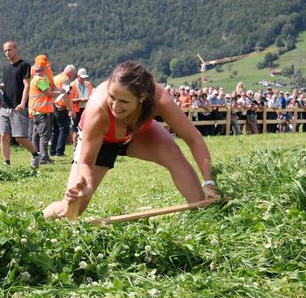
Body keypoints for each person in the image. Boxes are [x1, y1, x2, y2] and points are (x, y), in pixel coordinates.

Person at [43, 62, 220, 220]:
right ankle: (42, 217)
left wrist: (209, 182)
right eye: (112, 97)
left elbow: (193, 138)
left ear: (142, 98)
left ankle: (204, 213)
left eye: (124, 101)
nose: (115, 106)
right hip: (102, 142)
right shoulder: (97, 110)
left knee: (172, 152)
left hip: (135, 133)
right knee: (71, 211)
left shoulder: (159, 99)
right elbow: (86, 161)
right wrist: (86, 185)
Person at [0, 41, 40, 167]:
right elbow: (9, 86)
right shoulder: (6, 68)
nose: (7, 53)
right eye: (5, 51)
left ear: (16, 49)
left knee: (19, 138)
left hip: (18, 107)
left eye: (10, 50)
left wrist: (23, 103)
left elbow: (26, 85)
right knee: (3, 136)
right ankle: (7, 163)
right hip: (5, 106)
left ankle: (35, 154)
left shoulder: (24, 65)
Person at [30, 59, 62, 165]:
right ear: (44, 69)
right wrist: (62, 92)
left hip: (37, 111)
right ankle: (44, 158)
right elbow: (50, 93)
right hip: (41, 112)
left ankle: (36, 156)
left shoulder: (36, 79)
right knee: (45, 136)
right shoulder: (40, 80)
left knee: (36, 136)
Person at [50, 65, 77, 157]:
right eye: (73, 74)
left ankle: (52, 151)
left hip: (53, 106)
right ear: (71, 73)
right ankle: (59, 152)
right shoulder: (66, 80)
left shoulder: (55, 78)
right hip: (61, 107)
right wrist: (70, 109)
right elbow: (65, 95)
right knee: (64, 130)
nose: (73, 76)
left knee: (55, 130)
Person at [70, 68, 93, 148]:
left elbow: (92, 94)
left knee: (85, 128)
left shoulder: (88, 84)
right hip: (76, 109)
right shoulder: (72, 85)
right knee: (76, 129)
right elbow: (70, 99)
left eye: (84, 77)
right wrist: (80, 100)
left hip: (86, 109)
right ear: (78, 76)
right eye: (82, 77)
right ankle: (75, 147)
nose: (83, 79)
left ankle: (84, 145)